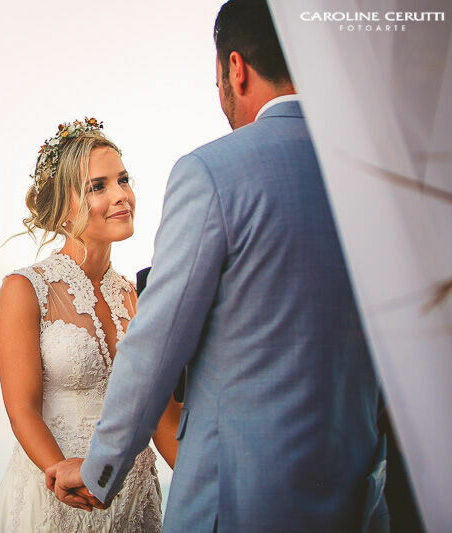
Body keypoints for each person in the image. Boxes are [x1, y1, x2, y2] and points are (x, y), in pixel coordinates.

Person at [45, 2, 389, 532]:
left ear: (236, 68)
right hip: (357, 499)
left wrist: (99, 469)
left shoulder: (210, 172)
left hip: (237, 503)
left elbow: (157, 344)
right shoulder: (376, 176)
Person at [0, 118, 182, 532]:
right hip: (56, 497)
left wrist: (222, 485)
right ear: (65, 208)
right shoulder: (25, 289)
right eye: (98, 186)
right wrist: (62, 473)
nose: (121, 195)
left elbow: (162, 417)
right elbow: (22, 409)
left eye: (123, 180)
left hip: (132, 501)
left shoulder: (141, 297)